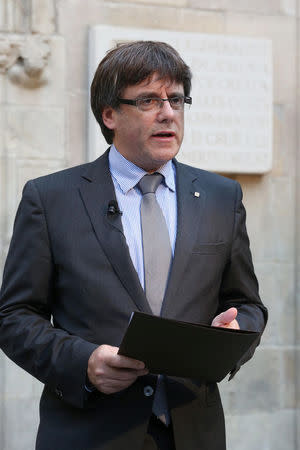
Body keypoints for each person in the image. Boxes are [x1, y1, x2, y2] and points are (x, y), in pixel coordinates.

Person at [0, 41, 267, 450]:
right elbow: (15, 316)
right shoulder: (50, 198)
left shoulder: (221, 197)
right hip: (89, 433)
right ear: (109, 115)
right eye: (148, 100)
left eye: (176, 99)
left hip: (192, 432)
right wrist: (83, 363)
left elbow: (248, 305)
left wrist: (234, 333)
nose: (167, 113)